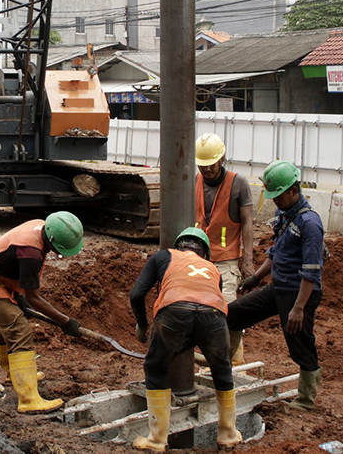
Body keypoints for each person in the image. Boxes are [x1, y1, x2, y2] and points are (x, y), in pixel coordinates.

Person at [128, 226, 242, 450]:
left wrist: (143, 325)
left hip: (174, 311)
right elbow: (205, 306)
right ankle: (228, 435)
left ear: (178, 245)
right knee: (222, 369)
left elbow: (136, 294)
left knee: (156, 368)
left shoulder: (164, 256)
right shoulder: (212, 268)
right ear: (204, 253)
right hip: (215, 317)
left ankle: (157, 440)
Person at [228, 160, 324, 411]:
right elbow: (275, 254)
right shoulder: (284, 215)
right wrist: (256, 278)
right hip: (278, 287)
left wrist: (299, 308)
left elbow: (311, 271)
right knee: (234, 314)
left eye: (278, 196)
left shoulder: (310, 224)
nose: (275, 201)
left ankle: (306, 400)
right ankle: (221, 366)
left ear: (293, 190)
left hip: (299, 293)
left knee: (300, 344)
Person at [0, 212, 84, 414]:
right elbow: (34, 298)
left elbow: (12, 265)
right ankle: (29, 399)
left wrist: (17, 296)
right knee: (19, 330)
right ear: (53, 241)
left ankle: (14, 374)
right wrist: (65, 322)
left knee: (7, 327)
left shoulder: (41, 225)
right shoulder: (31, 252)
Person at [194, 132, 254, 364]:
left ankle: (234, 364)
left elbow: (248, 223)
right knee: (199, 312)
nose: (207, 170)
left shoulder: (238, 184)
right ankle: (210, 362)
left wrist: (247, 261)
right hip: (199, 260)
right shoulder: (196, 181)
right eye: (202, 166)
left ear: (221, 159)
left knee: (229, 313)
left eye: (211, 165)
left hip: (227, 260)